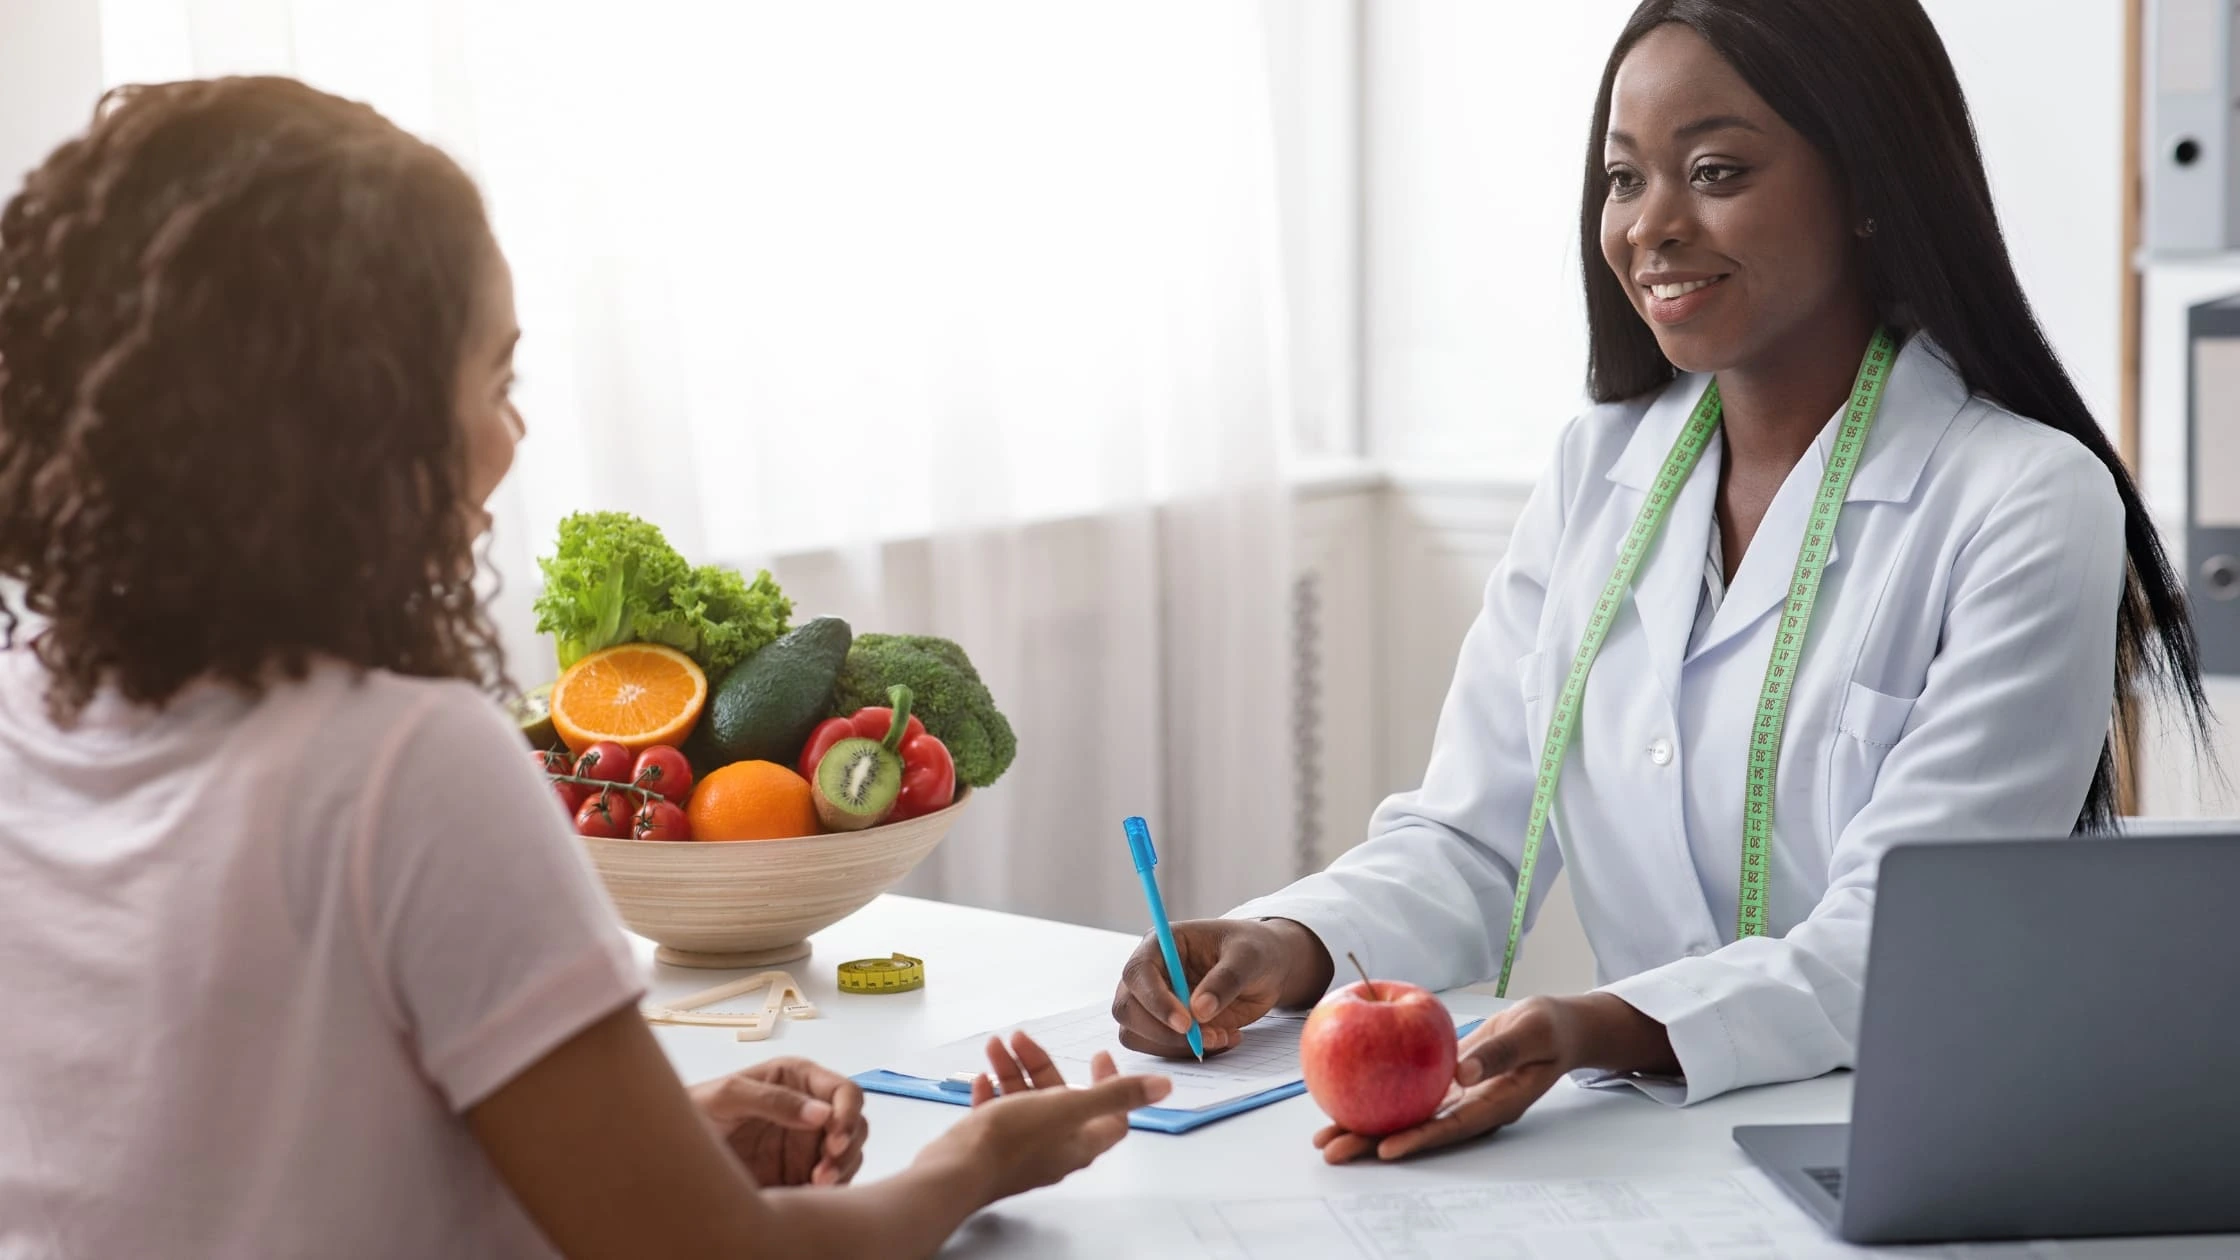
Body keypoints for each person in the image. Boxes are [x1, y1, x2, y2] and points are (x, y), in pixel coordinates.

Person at [0, 76, 1168, 1259]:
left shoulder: (25, 704)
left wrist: (622, 1151)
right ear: (355, 434)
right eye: (497, 384)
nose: (511, 444)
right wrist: (973, 1163)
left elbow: (231, 1147)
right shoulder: (404, 767)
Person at [1111, 0, 2213, 1164]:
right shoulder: (1598, 468)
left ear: (1869, 185)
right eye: (1624, 179)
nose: (1652, 226)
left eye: (1715, 170)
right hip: (1643, 1146)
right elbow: (1474, 836)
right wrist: (1289, 942)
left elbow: (1906, 936)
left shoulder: (2024, 499)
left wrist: (1609, 1024)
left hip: (1919, 1147)